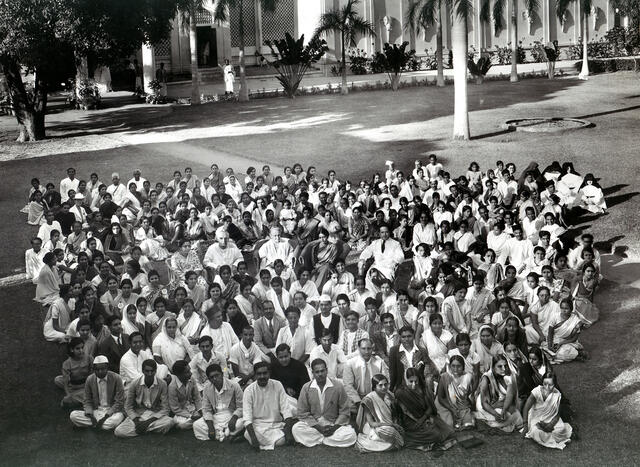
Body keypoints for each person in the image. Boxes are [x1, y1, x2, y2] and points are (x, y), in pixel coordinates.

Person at [292, 359, 357, 448]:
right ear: (313, 373)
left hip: (333, 424)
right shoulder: (306, 387)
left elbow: (344, 411)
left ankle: (319, 440)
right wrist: (319, 427)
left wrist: (334, 428)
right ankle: (328, 440)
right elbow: (302, 412)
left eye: (322, 371)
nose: (320, 374)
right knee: (296, 428)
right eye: (317, 372)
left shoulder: (338, 386)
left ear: (326, 370)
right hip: (315, 426)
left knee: (351, 434)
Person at [395, 368, 455, 450]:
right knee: (436, 434)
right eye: (410, 381)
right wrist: (420, 421)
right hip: (411, 421)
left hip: (425, 417)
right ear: (405, 380)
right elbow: (406, 412)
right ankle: (408, 438)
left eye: (416, 381)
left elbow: (430, 407)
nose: (413, 385)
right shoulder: (400, 393)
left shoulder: (423, 389)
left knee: (449, 432)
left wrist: (424, 418)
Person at [114, 359, 175, 437]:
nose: (149, 374)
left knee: (170, 422)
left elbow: (165, 408)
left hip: (155, 415)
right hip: (139, 415)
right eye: (147, 371)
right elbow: (128, 406)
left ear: (155, 371)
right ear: (143, 371)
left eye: (152, 371)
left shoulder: (162, 384)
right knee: (119, 431)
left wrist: (147, 422)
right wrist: (136, 422)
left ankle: (140, 429)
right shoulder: (135, 383)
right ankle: (147, 429)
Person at [243, 362, 295, 450]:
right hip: (257, 426)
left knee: (281, 441)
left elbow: (286, 409)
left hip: (275, 425)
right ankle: (250, 438)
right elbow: (247, 416)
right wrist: (253, 438)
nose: (262, 376)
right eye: (259, 374)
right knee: (249, 434)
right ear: (255, 375)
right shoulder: (249, 390)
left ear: (269, 373)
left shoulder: (277, 385)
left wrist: (289, 434)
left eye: (265, 373)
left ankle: (252, 440)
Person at [69, 355, 125, 431]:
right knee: (73, 415)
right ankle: (98, 425)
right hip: (96, 411)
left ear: (107, 368)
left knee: (113, 422)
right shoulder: (90, 379)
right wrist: (91, 417)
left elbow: (119, 402)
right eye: (97, 370)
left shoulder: (116, 378)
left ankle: (91, 425)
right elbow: (87, 400)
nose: (100, 372)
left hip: (113, 412)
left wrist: (106, 417)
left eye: (103, 369)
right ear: (94, 369)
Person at [193, 363, 245, 441]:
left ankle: (220, 434)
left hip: (231, 414)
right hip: (216, 416)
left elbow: (241, 406)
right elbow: (206, 410)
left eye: (217, 375)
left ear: (222, 374)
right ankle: (226, 434)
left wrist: (234, 418)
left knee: (242, 422)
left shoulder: (234, 385)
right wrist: (210, 427)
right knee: (196, 425)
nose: (215, 379)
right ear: (209, 379)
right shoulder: (207, 388)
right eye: (211, 377)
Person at [355, 373, 404, 453]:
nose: (384, 387)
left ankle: (389, 441)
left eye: (385, 384)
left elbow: (395, 415)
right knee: (387, 431)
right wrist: (392, 425)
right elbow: (372, 423)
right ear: (374, 387)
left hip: (389, 426)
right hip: (376, 428)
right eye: (380, 385)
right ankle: (395, 441)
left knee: (391, 430)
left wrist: (396, 424)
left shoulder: (390, 396)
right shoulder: (369, 400)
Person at [523, 372, 573, 449]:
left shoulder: (557, 394)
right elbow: (526, 408)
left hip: (550, 418)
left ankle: (548, 436)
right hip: (536, 417)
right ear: (542, 382)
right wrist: (525, 425)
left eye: (550, 385)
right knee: (537, 432)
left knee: (561, 429)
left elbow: (557, 414)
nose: (547, 387)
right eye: (545, 384)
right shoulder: (536, 392)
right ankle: (553, 438)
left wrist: (550, 425)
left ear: (555, 384)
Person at [475, 355, 523, 432]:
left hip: (500, 401)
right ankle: (496, 423)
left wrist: (504, 409)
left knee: (514, 411)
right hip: (487, 404)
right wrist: (496, 415)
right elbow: (484, 403)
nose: (503, 369)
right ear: (493, 367)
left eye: (505, 366)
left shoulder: (509, 375)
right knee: (509, 417)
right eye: (499, 366)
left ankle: (501, 423)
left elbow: (510, 396)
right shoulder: (486, 378)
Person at [358, 224, 404, 294]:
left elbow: (401, 257)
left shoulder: (395, 244)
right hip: (376, 266)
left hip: (388, 268)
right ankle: (373, 296)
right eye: (382, 232)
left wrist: (392, 260)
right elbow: (367, 251)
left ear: (389, 232)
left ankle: (383, 296)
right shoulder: (375, 243)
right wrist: (362, 258)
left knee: (381, 280)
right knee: (370, 276)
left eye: (386, 232)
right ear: (379, 233)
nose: (384, 234)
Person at [343, 338, 389, 407]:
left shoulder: (379, 362)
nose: (366, 351)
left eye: (369, 348)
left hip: (377, 398)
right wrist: (358, 402)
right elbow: (348, 386)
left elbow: (387, 382)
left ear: (372, 349)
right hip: (356, 400)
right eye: (363, 349)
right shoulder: (350, 364)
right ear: (358, 349)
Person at [437, 355, 475, 429]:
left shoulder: (468, 377)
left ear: (463, 367)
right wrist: (451, 409)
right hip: (446, 404)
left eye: (458, 366)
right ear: (450, 367)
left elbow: (470, 396)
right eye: (453, 366)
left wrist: (469, 408)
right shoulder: (445, 377)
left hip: (463, 406)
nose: (455, 369)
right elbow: (440, 397)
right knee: (450, 425)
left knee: (468, 425)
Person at [270, 344, 310, 413]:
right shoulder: (273, 367)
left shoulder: (299, 366)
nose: (284, 359)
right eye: (281, 357)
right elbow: (272, 384)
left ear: (290, 354)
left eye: (286, 356)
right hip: (279, 396)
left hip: (297, 397)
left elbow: (306, 386)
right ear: (277, 357)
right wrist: (286, 389)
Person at [55, 337, 93, 408]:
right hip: (73, 386)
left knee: (90, 392)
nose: (81, 351)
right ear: (72, 350)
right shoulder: (67, 363)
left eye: (82, 347)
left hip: (86, 384)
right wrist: (68, 394)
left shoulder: (89, 358)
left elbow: (93, 374)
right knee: (57, 379)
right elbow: (66, 382)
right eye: (77, 348)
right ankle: (79, 398)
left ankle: (81, 398)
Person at [168, 360, 202, 431]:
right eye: (187, 372)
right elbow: (175, 409)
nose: (190, 373)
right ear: (178, 374)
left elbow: (197, 398)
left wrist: (200, 410)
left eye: (190, 371)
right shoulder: (172, 387)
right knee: (182, 425)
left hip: (193, 408)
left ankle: (199, 420)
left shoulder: (191, 379)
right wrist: (191, 416)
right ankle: (200, 421)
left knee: (204, 413)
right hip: (182, 413)